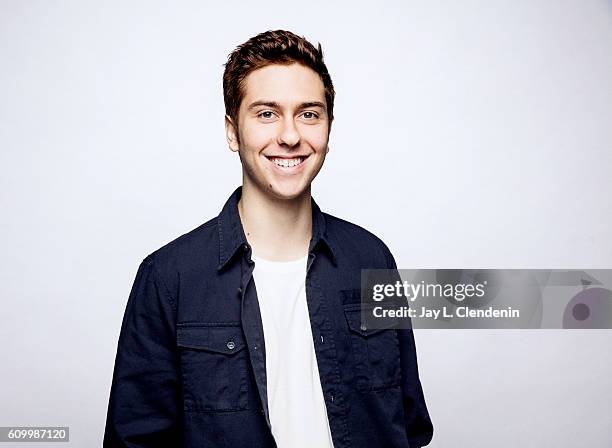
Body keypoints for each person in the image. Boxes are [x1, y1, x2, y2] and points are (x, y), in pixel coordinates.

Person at [104, 29, 433, 448]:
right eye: (266, 114)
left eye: (309, 114)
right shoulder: (168, 278)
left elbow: (409, 426)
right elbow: (136, 440)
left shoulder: (372, 259)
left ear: (328, 129)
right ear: (231, 131)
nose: (291, 136)